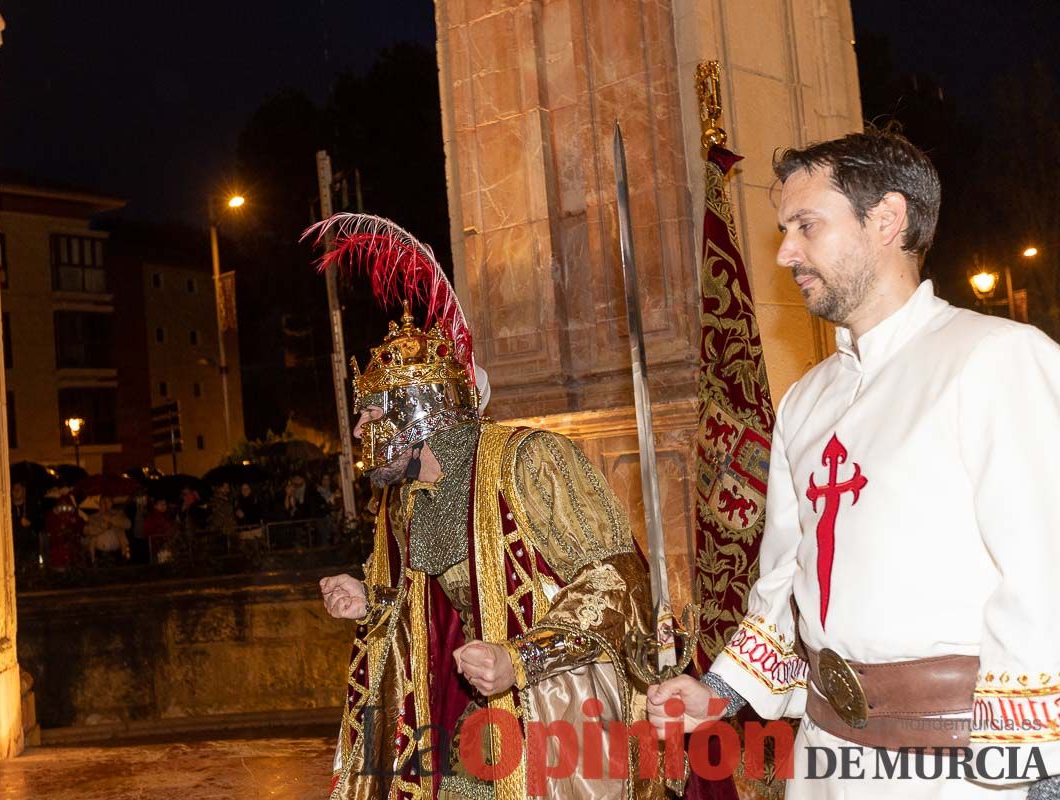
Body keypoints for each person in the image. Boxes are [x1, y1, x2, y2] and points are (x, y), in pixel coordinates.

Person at [646, 130, 1060, 798]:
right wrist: (719, 691)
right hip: (825, 757)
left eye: (807, 226)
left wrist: (1040, 772)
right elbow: (789, 573)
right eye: (785, 230)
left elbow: (1047, 574)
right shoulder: (809, 400)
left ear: (886, 220)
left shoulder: (995, 359)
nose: (785, 252)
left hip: (959, 771)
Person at [320, 304, 658, 799]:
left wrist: (522, 659)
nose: (357, 433)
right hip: (481, 713)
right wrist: (369, 599)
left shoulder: (531, 459)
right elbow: (425, 616)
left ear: (418, 409)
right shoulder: (405, 500)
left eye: (371, 412)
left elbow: (617, 579)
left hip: (568, 701)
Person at [82, 495, 131, 565]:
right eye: (103, 502)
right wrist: (102, 527)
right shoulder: (93, 517)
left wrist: (111, 520)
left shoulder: (118, 514)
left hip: (118, 555)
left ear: (112, 503)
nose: (106, 505)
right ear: (99, 504)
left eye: (108, 502)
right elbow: (86, 531)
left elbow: (128, 524)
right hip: (98, 555)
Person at [10, 481, 41, 570]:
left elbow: (38, 524)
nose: (16, 491)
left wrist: (30, 523)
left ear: (24, 491)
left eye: (18, 489)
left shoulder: (31, 507)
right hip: (15, 548)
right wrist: (19, 521)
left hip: (29, 548)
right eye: (14, 489)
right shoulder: (9, 506)